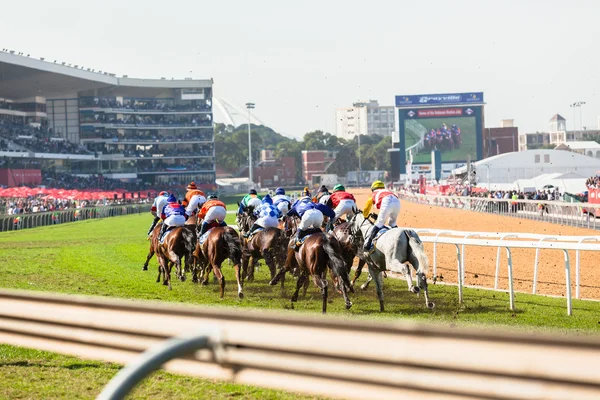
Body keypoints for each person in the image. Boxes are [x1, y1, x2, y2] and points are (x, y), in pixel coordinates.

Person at [362, 180, 400, 252]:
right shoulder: (387, 191)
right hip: (397, 202)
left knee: (379, 224)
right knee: (392, 223)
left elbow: (367, 207)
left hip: (387, 201)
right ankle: (399, 240)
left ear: (373, 189)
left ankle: (367, 244)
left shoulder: (374, 193)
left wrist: (365, 216)